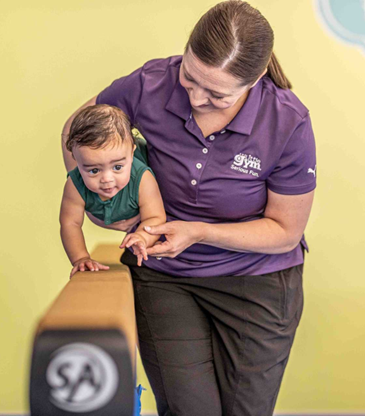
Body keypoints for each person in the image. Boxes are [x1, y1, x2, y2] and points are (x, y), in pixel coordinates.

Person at [60, 1, 316, 414]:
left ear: (254, 80)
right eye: (190, 78)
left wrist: (198, 230)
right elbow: (78, 130)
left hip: (259, 284)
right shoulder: (150, 83)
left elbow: (285, 231)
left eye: (216, 93)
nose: (196, 98)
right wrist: (94, 196)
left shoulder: (287, 121)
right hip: (167, 279)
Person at [60, 104, 166, 277]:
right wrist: (80, 258)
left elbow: (155, 217)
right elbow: (70, 223)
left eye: (117, 167)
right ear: (76, 160)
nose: (107, 179)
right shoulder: (75, 184)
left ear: (131, 153)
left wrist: (142, 237)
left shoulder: (142, 178)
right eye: (94, 170)